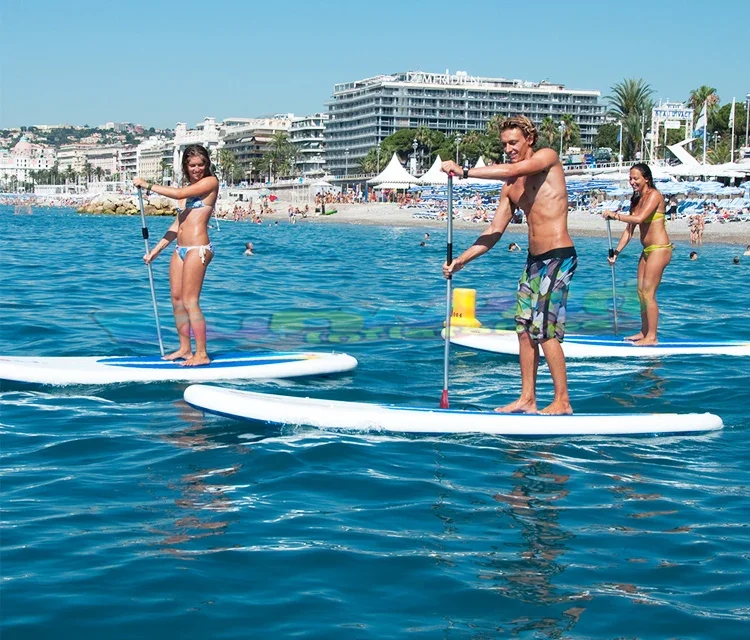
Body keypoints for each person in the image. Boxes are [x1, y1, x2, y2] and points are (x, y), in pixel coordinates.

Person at [441, 115, 577, 415]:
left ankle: (562, 401)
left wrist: (464, 171)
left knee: (545, 329)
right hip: (534, 262)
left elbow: (518, 167)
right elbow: (493, 233)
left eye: (513, 142)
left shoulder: (547, 158)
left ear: (529, 138)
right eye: (504, 144)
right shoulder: (510, 187)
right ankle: (527, 398)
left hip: (559, 256)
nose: (508, 149)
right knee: (524, 329)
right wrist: (460, 261)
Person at [133, 144, 219, 366]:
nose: (197, 169)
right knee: (177, 300)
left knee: (191, 301)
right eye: (192, 165)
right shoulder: (186, 190)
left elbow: (179, 193)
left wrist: (148, 184)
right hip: (179, 250)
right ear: (185, 166)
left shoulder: (210, 183)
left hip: (198, 249)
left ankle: (202, 354)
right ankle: (184, 348)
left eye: (201, 164)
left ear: (207, 164)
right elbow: (177, 225)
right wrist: (156, 250)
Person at [603, 163, 672, 346]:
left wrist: (615, 215)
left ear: (646, 178)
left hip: (659, 249)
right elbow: (629, 230)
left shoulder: (654, 196)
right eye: (630, 178)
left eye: (636, 178)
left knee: (648, 293)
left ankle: (652, 337)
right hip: (646, 251)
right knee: (640, 293)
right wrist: (616, 252)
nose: (632, 182)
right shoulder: (636, 200)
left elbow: (640, 219)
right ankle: (644, 331)